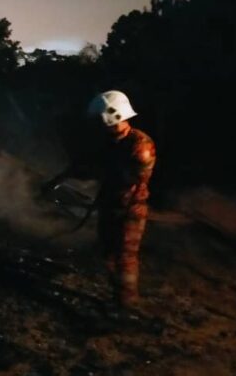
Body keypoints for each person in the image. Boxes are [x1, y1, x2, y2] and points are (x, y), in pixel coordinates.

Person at [46, 90, 156, 309]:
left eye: (100, 120)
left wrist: (92, 173)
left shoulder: (141, 147)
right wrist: (60, 178)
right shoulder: (111, 141)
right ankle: (117, 293)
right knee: (108, 252)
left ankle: (127, 303)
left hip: (129, 209)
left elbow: (126, 177)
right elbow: (90, 164)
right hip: (110, 204)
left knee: (125, 256)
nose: (97, 125)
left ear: (113, 116)